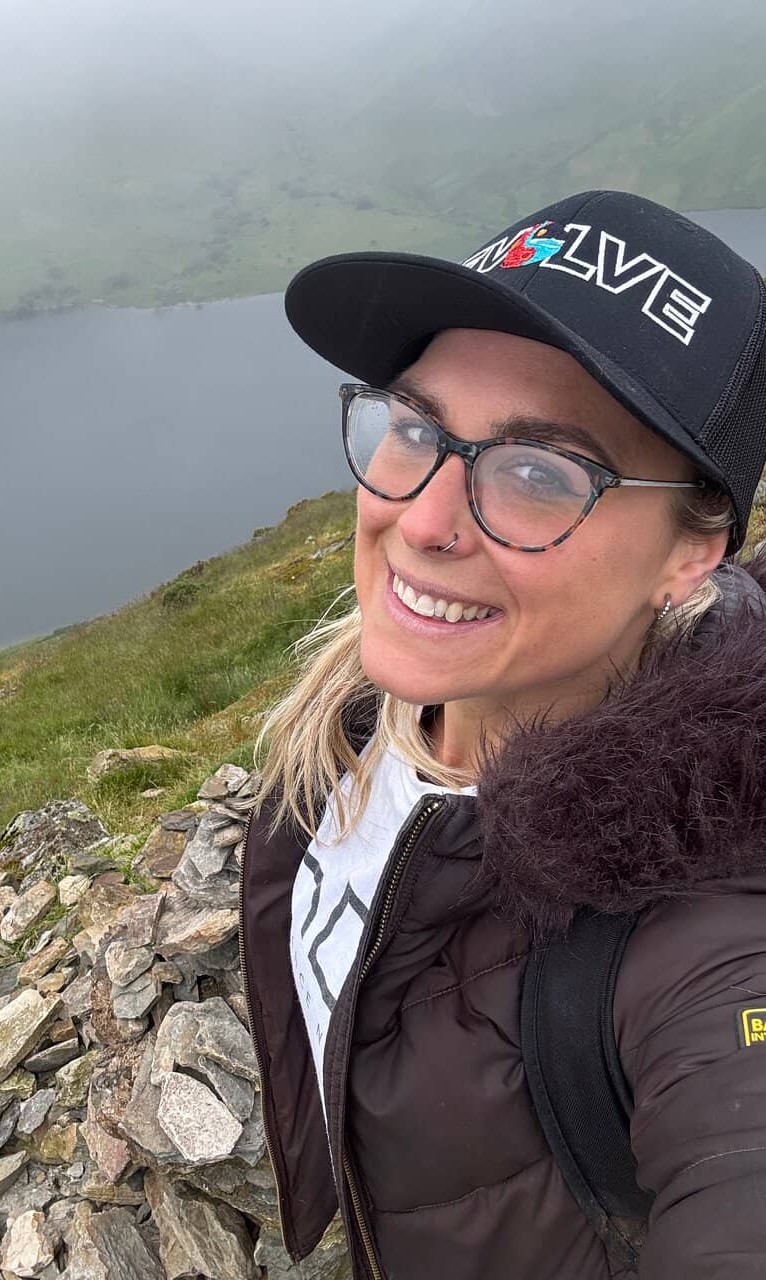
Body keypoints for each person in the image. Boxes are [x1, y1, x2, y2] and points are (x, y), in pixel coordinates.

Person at [236, 190, 766, 1280]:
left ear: (692, 550)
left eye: (538, 473)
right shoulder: (351, 716)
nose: (421, 521)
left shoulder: (706, 943)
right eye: (417, 427)